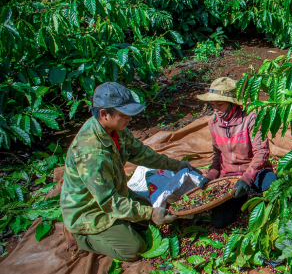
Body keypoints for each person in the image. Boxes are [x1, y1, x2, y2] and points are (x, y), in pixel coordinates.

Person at [60, 83, 199, 261]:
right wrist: (150, 214)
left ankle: (124, 224)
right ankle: (80, 237)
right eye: (124, 115)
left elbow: (142, 154)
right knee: (134, 249)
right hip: (90, 211)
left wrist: (176, 165)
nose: (129, 119)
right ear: (104, 114)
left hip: (114, 194)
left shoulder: (115, 130)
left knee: (157, 212)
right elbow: (109, 202)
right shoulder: (92, 153)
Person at [197, 77, 276, 229]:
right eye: (213, 105)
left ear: (233, 103)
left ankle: (254, 193)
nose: (216, 109)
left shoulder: (250, 118)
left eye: (220, 104)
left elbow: (262, 152)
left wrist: (247, 178)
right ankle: (240, 198)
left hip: (255, 171)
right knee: (219, 222)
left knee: (272, 184)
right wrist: (210, 176)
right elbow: (217, 155)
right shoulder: (213, 123)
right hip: (230, 176)